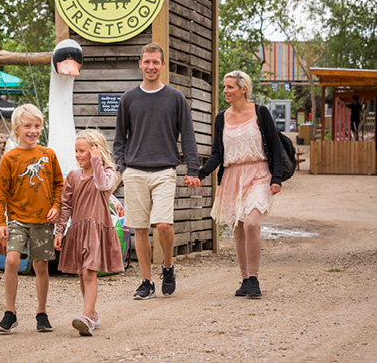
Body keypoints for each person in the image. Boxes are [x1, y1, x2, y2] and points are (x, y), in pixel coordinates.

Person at [113, 42, 201, 300]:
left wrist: (193, 169)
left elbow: (188, 136)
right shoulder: (129, 98)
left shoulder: (175, 97)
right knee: (140, 229)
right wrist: (123, 167)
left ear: (163, 65)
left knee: (163, 225)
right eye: (146, 62)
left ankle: (168, 267)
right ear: (140, 64)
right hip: (135, 171)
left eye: (155, 62)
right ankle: (146, 281)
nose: (151, 66)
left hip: (165, 170)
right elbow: (119, 138)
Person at [197, 70, 283, 298]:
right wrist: (201, 173)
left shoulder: (260, 113)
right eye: (224, 87)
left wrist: (277, 178)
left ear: (243, 89)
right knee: (238, 229)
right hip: (232, 176)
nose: (225, 91)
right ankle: (245, 279)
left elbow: (275, 146)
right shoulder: (221, 118)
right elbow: (217, 154)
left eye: (230, 87)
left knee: (252, 223)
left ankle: (254, 278)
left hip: (259, 173)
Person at [0, 104, 64, 333]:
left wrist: (56, 206)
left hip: (43, 221)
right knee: (12, 260)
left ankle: (41, 312)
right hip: (17, 220)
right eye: (27, 126)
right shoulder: (9, 159)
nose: (33, 130)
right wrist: (1, 222)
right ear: (16, 129)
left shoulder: (48, 155)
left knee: (41, 265)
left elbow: (59, 185)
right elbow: (1, 193)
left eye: (37, 126)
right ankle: (10, 312)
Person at [54, 129, 124, 336]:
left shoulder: (108, 172)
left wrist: (96, 162)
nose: (77, 155)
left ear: (96, 151)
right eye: (76, 151)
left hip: (96, 228)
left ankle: (85, 317)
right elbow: (65, 205)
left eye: (82, 151)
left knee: (89, 272)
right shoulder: (74, 176)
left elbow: (104, 185)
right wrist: (59, 232)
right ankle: (92, 314)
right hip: (78, 230)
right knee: (83, 274)